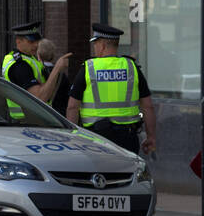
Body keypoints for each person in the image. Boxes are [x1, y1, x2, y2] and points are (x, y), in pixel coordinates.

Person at [65, 23, 157, 154]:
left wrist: (72, 137)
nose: (94, 47)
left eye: (95, 44)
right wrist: (151, 136)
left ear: (102, 45)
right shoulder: (131, 67)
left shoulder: (88, 68)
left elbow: (72, 107)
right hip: (127, 138)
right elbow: (148, 106)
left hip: (95, 139)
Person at [1, 21, 71, 115]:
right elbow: (40, 98)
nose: (36, 45)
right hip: (27, 121)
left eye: (37, 41)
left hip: (33, 119)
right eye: (31, 41)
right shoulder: (20, 65)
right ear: (19, 41)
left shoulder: (30, 58)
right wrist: (57, 68)